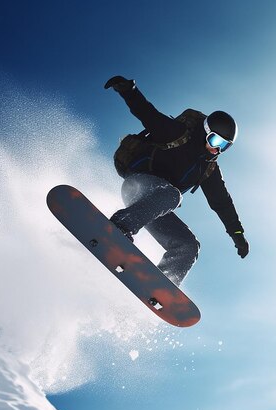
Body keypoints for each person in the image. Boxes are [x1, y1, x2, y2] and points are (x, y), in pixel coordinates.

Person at [104, 75, 249, 287]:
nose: (216, 149)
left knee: (189, 246)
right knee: (172, 195)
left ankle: (161, 285)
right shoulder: (178, 134)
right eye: (215, 140)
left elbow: (222, 204)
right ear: (206, 132)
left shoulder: (209, 169)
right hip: (138, 186)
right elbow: (147, 113)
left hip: (154, 207)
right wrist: (128, 89)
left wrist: (238, 235)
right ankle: (118, 227)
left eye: (224, 146)